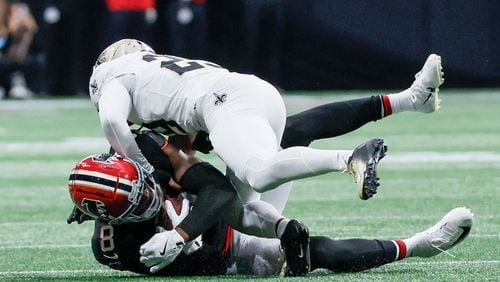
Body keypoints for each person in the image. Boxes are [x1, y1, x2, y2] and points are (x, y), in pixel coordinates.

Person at [87, 39, 444, 274]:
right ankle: (409, 101)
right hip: (243, 94)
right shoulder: (114, 243)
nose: (147, 195)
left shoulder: (114, 81)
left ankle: (349, 158)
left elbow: (111, 119)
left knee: (258, 172)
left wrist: (178, 229)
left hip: (222, 104)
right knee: (283, 147)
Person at [68, 153, 474, 276]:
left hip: (230, 206)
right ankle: (418, 246)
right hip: (227, 247)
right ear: (116, 220)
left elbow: (216, 188)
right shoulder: (118, 246)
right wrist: (182, 234)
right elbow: (212, 239)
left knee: (267, 148)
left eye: (145, 184)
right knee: (314, 256)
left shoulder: (147, 164)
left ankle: (381, 117)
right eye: (139, 202)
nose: (151, 195)